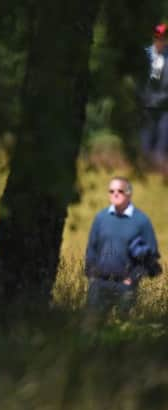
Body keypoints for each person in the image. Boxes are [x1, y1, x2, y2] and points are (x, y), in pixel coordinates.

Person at [84, 177, 161, 316]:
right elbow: (91, 249)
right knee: (90, 326)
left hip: (125, 286)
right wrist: (92, 275)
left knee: (123, 327)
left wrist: (133, 278)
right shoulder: (101, 218)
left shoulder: (141, 220)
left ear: (129, 193)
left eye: (120, 190)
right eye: (111, 191)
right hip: (99, 283)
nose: (115, 194)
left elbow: (152, 254)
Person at [139, 23, 168, 169]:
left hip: (165, 106)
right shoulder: (146, 55)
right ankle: (144, 167)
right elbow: (139, 79)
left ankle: (160, 169)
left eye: (163, 38)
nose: (160, 41)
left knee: (163, 138)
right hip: (147, 104)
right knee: (146, 136)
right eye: (157, 38)